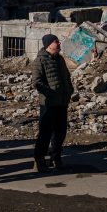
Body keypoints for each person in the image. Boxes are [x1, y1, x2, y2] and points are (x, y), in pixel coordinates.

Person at [31, 33, 73, 172]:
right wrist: (50, 93)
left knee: (60, 132)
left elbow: (66, 76)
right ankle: (39, 159)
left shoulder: (60, 59)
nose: (59, 44)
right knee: (45, 133)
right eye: (56, 42)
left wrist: (69, 90)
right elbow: (36, 82)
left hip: (62, 102)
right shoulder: (40, 61)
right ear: (49, 45)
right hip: (48, 104)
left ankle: (56, 157)